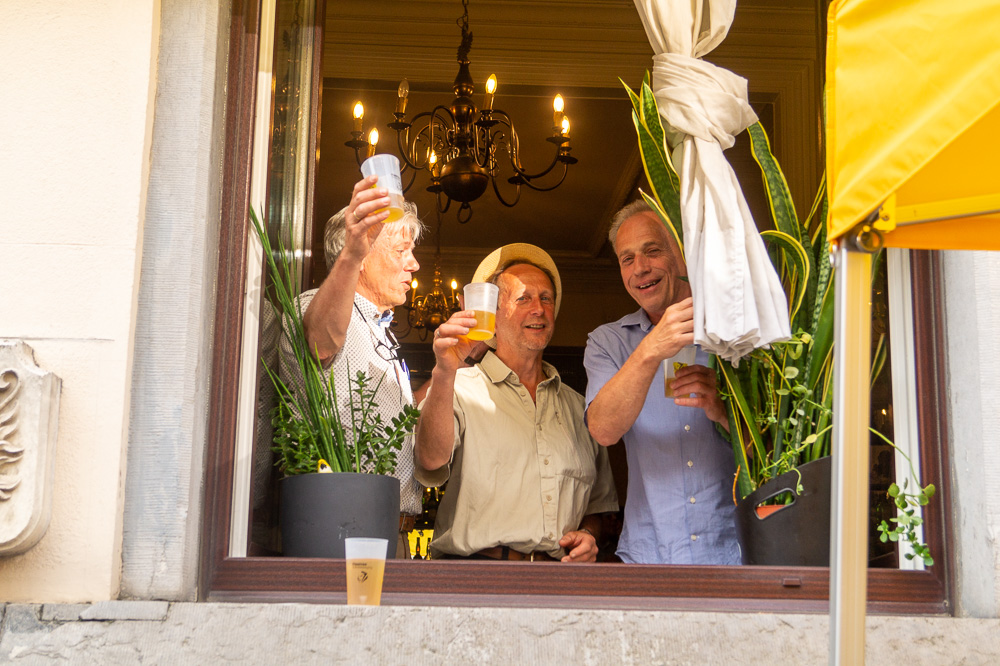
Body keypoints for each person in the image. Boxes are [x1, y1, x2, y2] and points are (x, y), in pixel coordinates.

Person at [414, 244, 618, 562]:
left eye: (546, 298)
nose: (539, 309)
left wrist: (589, 535)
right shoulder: (459, 388)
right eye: (524, 298)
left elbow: (598, 507)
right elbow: (429, 459)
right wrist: (444, 370)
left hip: (560, 576)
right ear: (493, 314)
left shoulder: (581, 408)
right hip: (476, 574)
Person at [584, 200, 739, 565]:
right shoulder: (608, 342)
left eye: (652, 250)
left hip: (734, 552)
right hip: (650, 556)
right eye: (627, 259)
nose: (640, 268)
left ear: (682, 253)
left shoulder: (736, 333)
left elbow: (779, 452)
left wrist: (724, 412)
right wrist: (651, 348)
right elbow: (603, 430)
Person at [279, 175, 424, 554]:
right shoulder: (314, 307)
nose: (414, 264)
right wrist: (351, 252)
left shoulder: (381, 333)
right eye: (401, 251)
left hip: (396, 536)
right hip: (343, 531)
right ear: (361, 256)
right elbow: (320, 343)